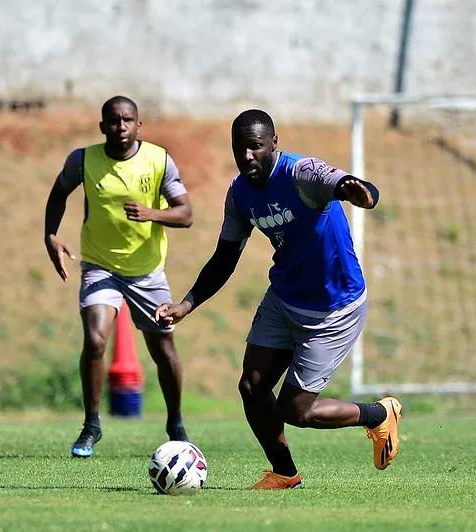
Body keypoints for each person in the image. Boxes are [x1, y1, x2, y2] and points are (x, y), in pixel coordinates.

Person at [155, 109, 402, 489]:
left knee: (295, 410)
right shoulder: (239, 194)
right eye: (241, 148)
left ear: (274, 143)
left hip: (334, 307)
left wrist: (358, 191)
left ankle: (377, 414)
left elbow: (345, 183)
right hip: (284, 297)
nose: (248, 156)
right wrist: (186, 304)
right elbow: (225, 257)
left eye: (255, 146)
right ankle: (285, 473)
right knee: (251, 387)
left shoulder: (301, 173)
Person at [44, 96, 193, 457]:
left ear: (138, 125)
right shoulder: (83, 160)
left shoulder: (158, 160)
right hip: (99, 266)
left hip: (146, 272)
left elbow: (185, 214)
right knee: (95, 341)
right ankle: (91, 426)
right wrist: (50, 235)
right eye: (113, 121)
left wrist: (151, 214)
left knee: (164, 350)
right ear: (102, 126)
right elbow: (58, 194)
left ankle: (176, 424)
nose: (121, 127)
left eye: (128, 120)